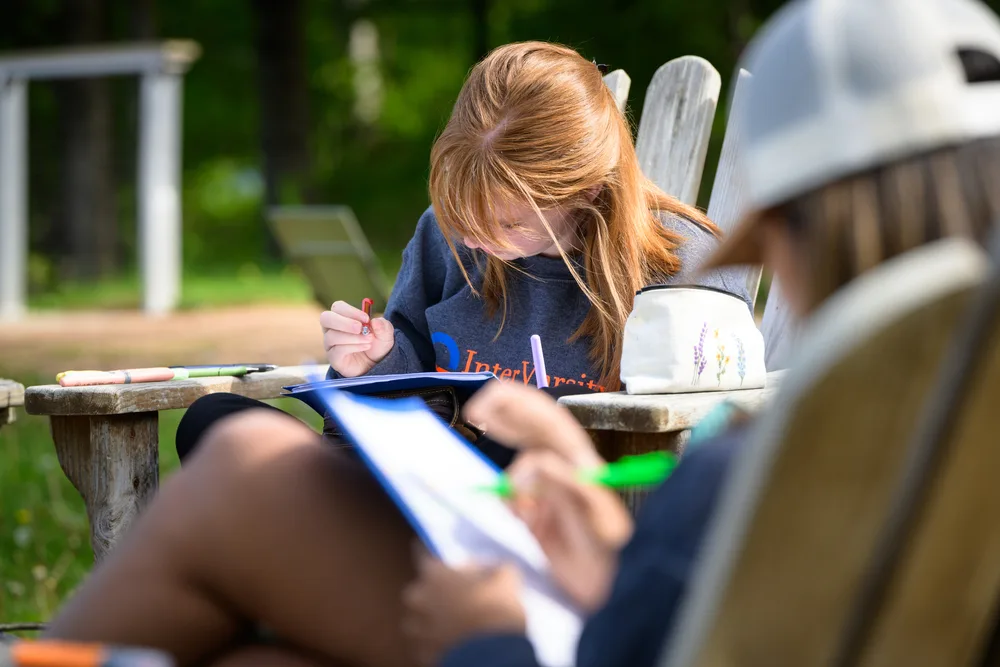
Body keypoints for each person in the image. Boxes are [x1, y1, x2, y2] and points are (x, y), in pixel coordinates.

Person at [45, 1, 1000, 666]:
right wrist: (593, 546)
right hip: (574, 578)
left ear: (799, 227)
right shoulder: (910, 437)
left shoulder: (766, 446)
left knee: (243, 468)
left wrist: (488, 630)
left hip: (527, 619)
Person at [173, 40, 747, 466]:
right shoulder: (447, 237)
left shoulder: (683, 267)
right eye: (461, 214)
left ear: (587, 191)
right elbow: (399, 403)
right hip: (424, 490)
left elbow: (703, 449)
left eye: (506, 221)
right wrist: (375, 365)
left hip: (553, 518)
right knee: (217, 424)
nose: (472, 238)